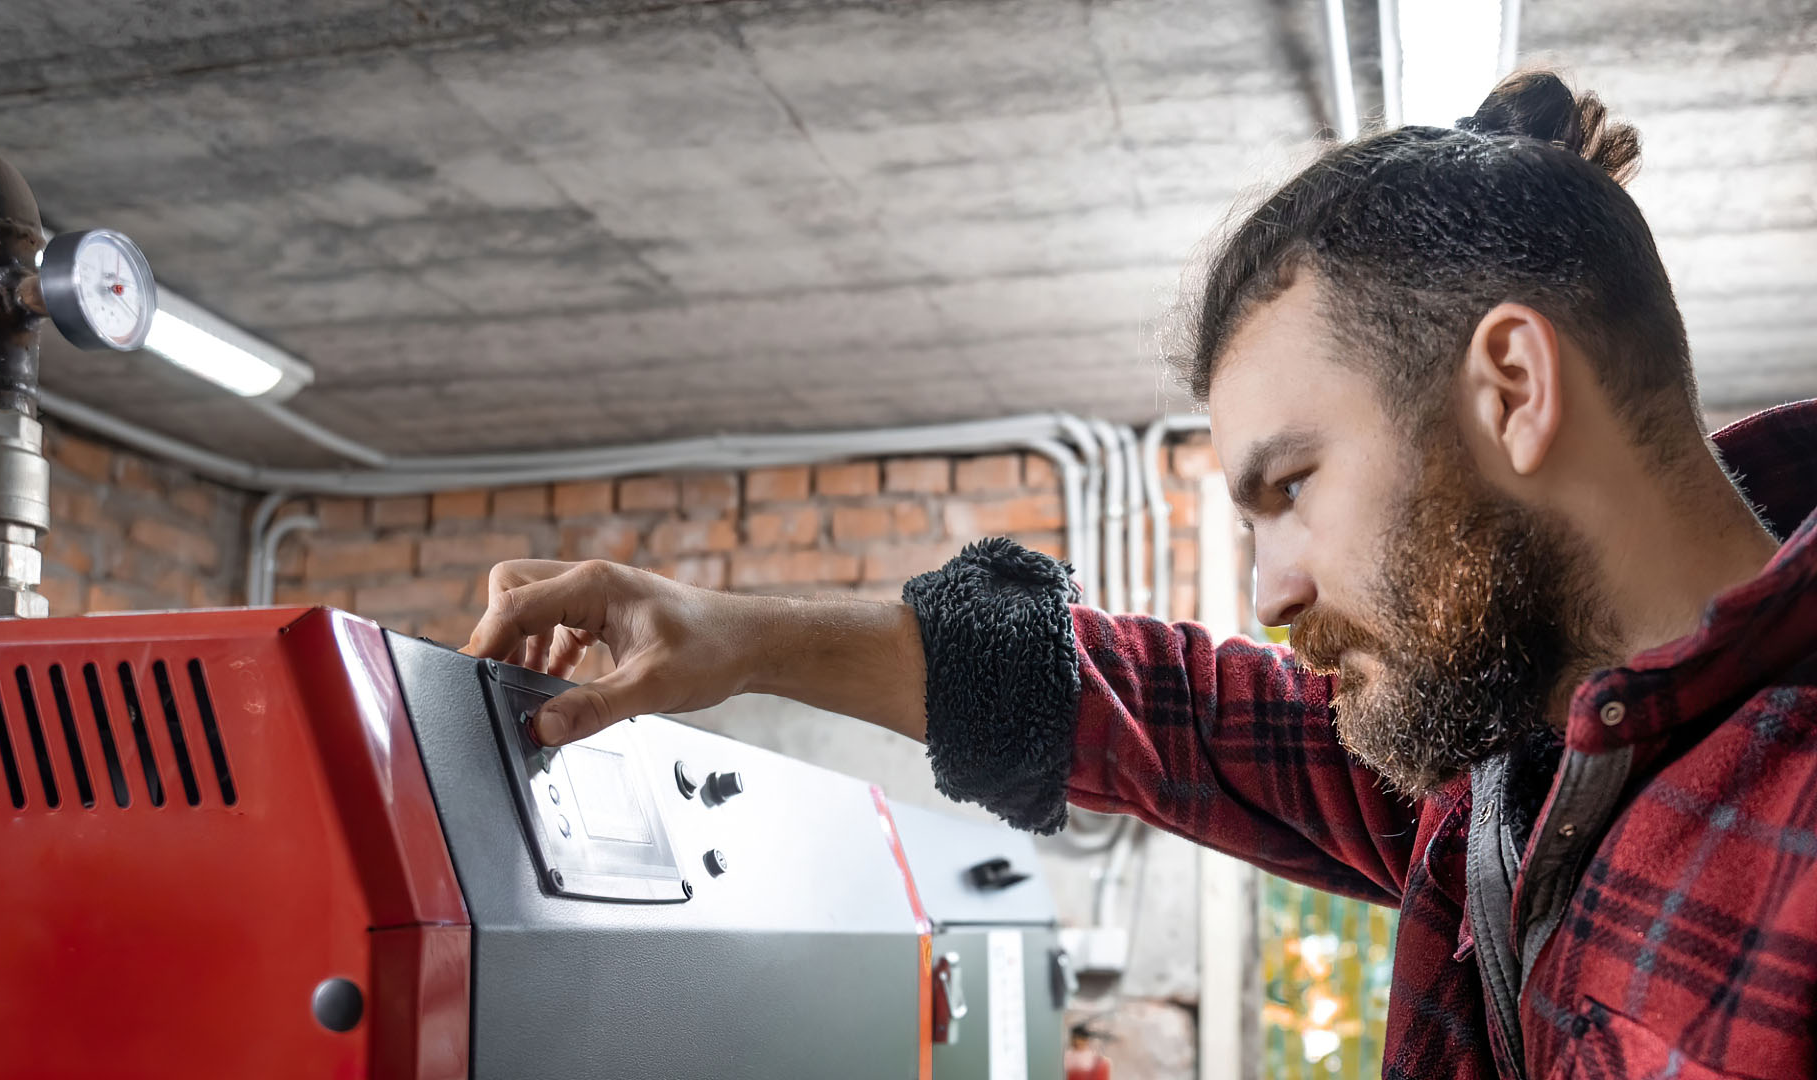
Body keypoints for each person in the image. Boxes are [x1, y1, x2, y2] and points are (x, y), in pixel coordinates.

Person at [465, 72, 1817, 1079]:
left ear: (1512, 390)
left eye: (1290, 488)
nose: (1271, 589)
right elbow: (1160, 711)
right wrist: (734, 635)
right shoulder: (1502, 772)